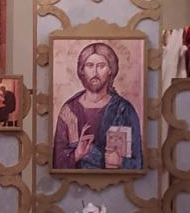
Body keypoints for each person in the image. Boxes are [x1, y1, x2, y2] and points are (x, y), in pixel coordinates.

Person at [53, 42, 144, 170]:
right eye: (89, 66)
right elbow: (56, 162)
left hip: (115, 182)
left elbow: (139, 163)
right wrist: (76, 155)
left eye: (101, 66)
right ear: (82, 70)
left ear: (110, 70)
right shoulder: (69, 110)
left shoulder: (124, 110)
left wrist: (121, 162)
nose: (94, 72)